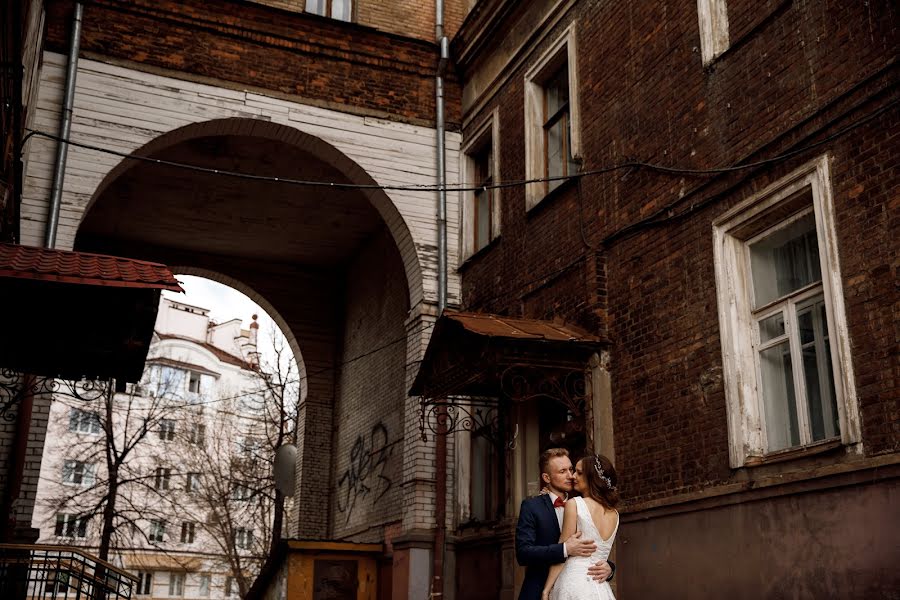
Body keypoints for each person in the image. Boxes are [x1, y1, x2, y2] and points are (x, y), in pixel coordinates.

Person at [516, 448, 615, 600]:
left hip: (580, 587)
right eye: (562, 471)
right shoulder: (532, 506)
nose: (570, 475)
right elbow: (523, 553)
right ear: (547, 478)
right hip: (539, 591)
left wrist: (609, 567)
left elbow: (593, 546)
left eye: (571, 469)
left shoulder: (580, 504)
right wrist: (564, 549)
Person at [542, 453, 620, 600]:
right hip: (600, 587)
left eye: (579, 473)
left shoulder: (575, 504)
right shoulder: (615, 514)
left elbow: (562, 552)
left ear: (592, 478)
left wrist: (546, 590)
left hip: (574, 582)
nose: (573, 476)